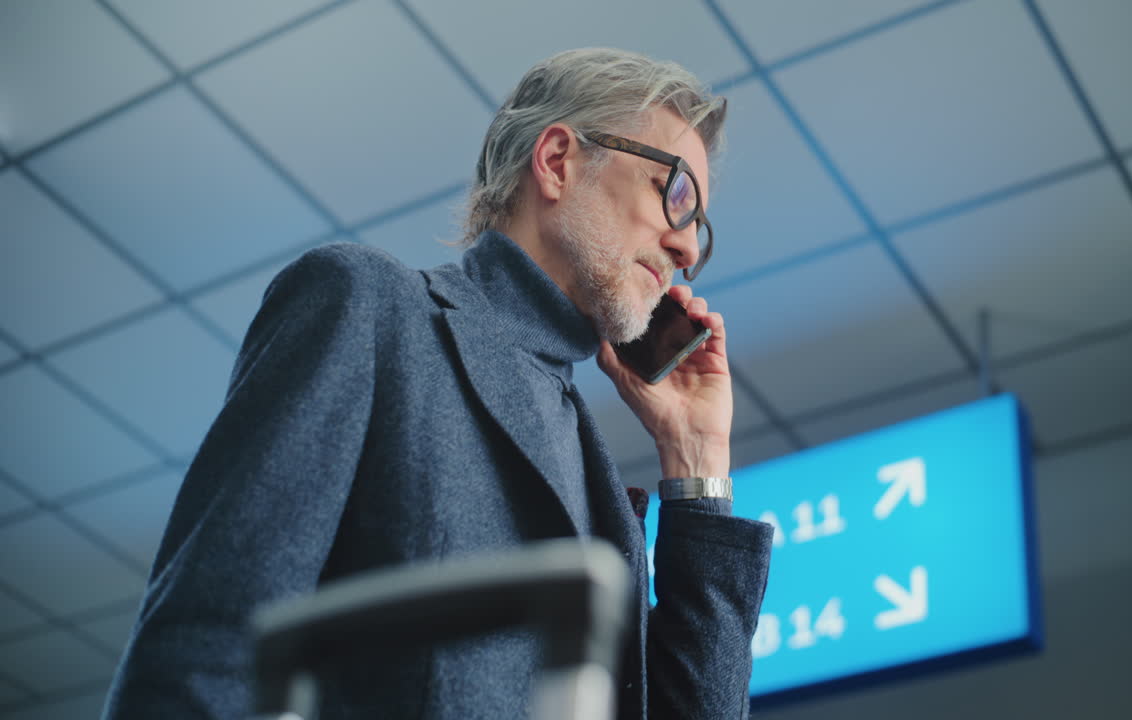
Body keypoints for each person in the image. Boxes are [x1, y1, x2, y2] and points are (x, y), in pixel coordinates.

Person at [103, 47, 772, 719]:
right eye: (677, 193)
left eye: (700, 230)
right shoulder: (367, 307)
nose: (688, 250)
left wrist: (695, 461)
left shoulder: (587, 458)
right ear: (558, 161)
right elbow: (211, 644)